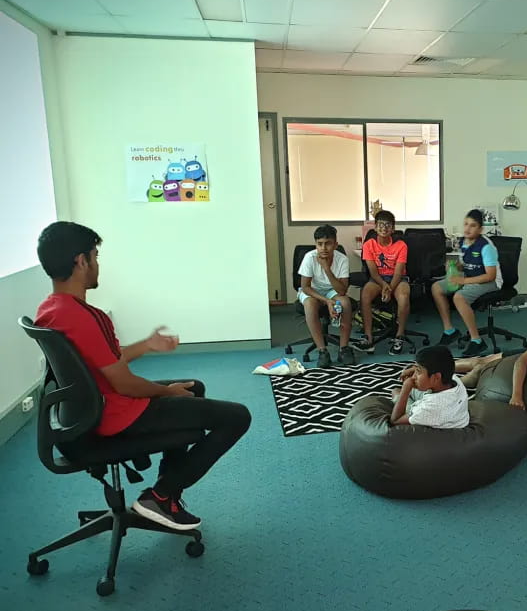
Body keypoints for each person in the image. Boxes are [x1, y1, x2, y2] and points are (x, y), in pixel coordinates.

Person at [34, 222, 251, 531]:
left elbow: (104, 361)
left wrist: (147, 345)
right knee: (237, 417)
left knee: (194, 387)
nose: (98, 264)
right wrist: (166, 393)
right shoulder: (81, 317)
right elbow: (123, 382)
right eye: (95, 256)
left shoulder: (54, 308)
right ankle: (161, 497)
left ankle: (168, 493)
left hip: (88, 410)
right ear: (81, 261)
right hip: (112, 415)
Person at [432, 209, 502, 358]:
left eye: (473, 226)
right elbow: (466, 263)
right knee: (436, 287)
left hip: (491, 282)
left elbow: (490, 275)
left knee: (459, 297)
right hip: (471, 276)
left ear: (480, 229)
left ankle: (476, 340)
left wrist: (463, 281)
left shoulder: (486, 246)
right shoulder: (464, 241)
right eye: (466, 224)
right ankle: (449, 330)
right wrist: (456, 267)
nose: (467, 229)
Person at [297, 224, 354, 368]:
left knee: (345, 303)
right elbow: (305, 287)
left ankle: (344, 349)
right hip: (312, 291)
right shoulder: (309, 258)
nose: (323, 248)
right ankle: (322, 351)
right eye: (319, 244)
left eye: (328, 243)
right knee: (310, 305)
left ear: (335, 244)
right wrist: (327, 301)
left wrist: (326, 268)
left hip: (332, 290)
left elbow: (342, 291)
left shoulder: (342, 259)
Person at [354, 210, 410, 356]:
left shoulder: (401, 245)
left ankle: (400, 335)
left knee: (404, 296)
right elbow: (372, 271)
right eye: (380, 225)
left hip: (397, 279)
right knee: (365, 294)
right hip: (377, 278)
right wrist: (384, 286)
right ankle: (368, 337)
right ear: (375, 227)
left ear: (393, 228)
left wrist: (389, 288)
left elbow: (398, 272)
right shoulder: (369, 245)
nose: (384, 228)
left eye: (388, 225)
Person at [393, 346, 470, 429]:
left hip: (433, 413)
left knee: (396, 391)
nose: (413, 376)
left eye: (418, 371)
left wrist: (405, 389)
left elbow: (395, 420)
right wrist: (414, 369)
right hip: (446, 410)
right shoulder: (454, 380)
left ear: (436, 377)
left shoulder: (429, 408)